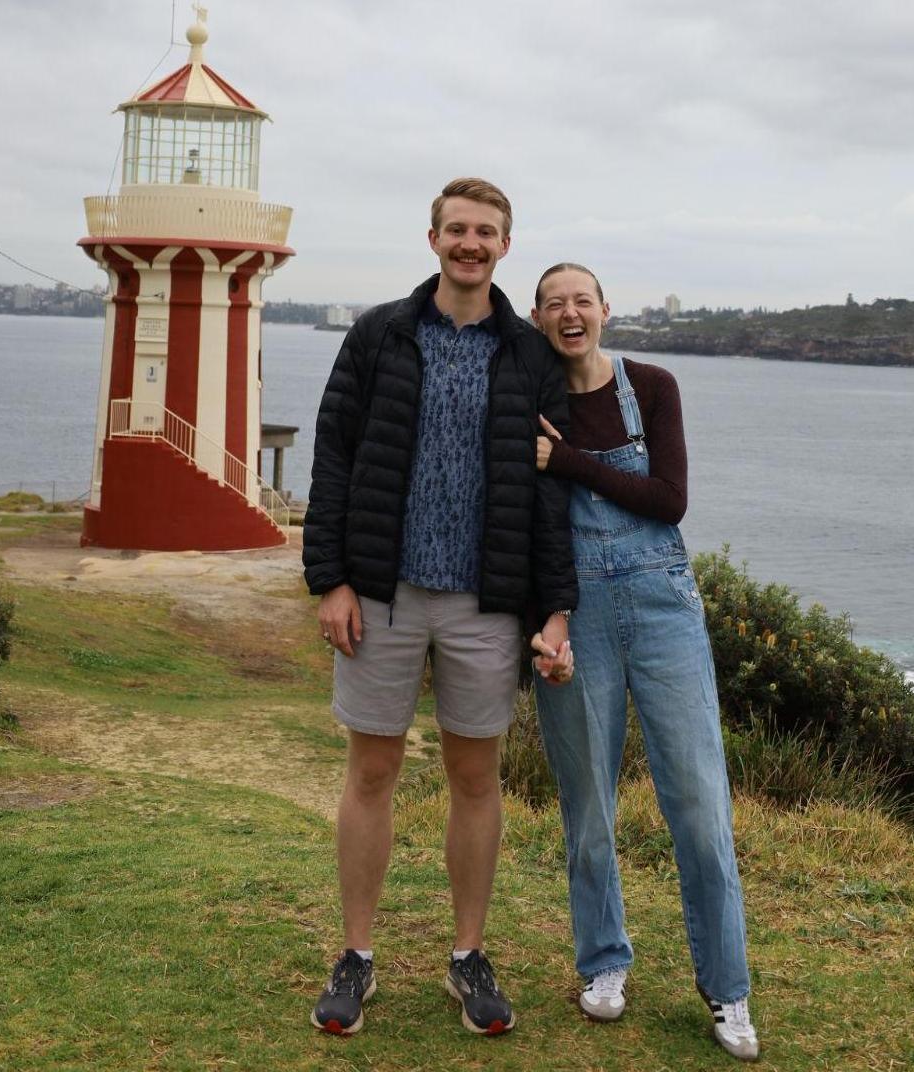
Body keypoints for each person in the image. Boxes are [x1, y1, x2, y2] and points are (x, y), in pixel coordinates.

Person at [302, 179, 577, 1037]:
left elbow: (548, 494)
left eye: (485, 231)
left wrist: (554, 609)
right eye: (456, 229)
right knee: (371, 773)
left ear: (504, 245)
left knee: (475, 778)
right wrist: (330, 579)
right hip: (379, 593)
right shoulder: (378, 333)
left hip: (485, 603)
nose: (470, 243)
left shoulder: (529, 353)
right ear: (432, 239)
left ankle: (467, 956)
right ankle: (355, 956)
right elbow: (334, 457)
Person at [529, 263, 759, 1061]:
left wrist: (567, 462)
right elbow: (528, 524)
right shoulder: (529, 400)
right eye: (554, 304)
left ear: (604, 310)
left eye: (581, 301)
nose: (569, 314)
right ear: (536, 318)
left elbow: (668, 500)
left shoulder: (652, 386)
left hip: (662, 605)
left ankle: (727, 988)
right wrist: (545, 621)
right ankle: (603, 962)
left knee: (698, 803)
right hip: (574, 612)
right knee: (587, 803)